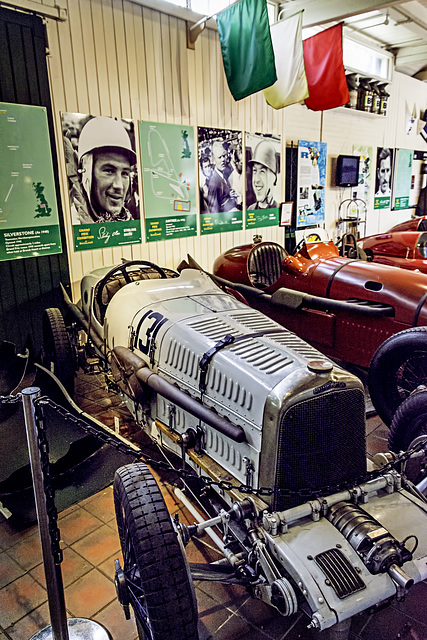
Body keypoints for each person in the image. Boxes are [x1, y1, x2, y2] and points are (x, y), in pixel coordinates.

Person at [69, 116, 137, 224]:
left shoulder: (130, 222)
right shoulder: (70, 226)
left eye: (124, 173)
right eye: (109, 171)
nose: (119, 186)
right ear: (85, 172)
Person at [207, 140, 239, 213]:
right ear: (213, 160)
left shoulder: (223, 174)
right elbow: (213, 211)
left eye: (224, 156)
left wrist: (229, 194)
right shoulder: (214, 182)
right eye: (219, 157)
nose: (223, 160)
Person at [247, 140, 278, 209]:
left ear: (274, 178)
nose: (256, 179)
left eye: (262, 172)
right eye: (255, 171)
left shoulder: (278, 210)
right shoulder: (250, 209)